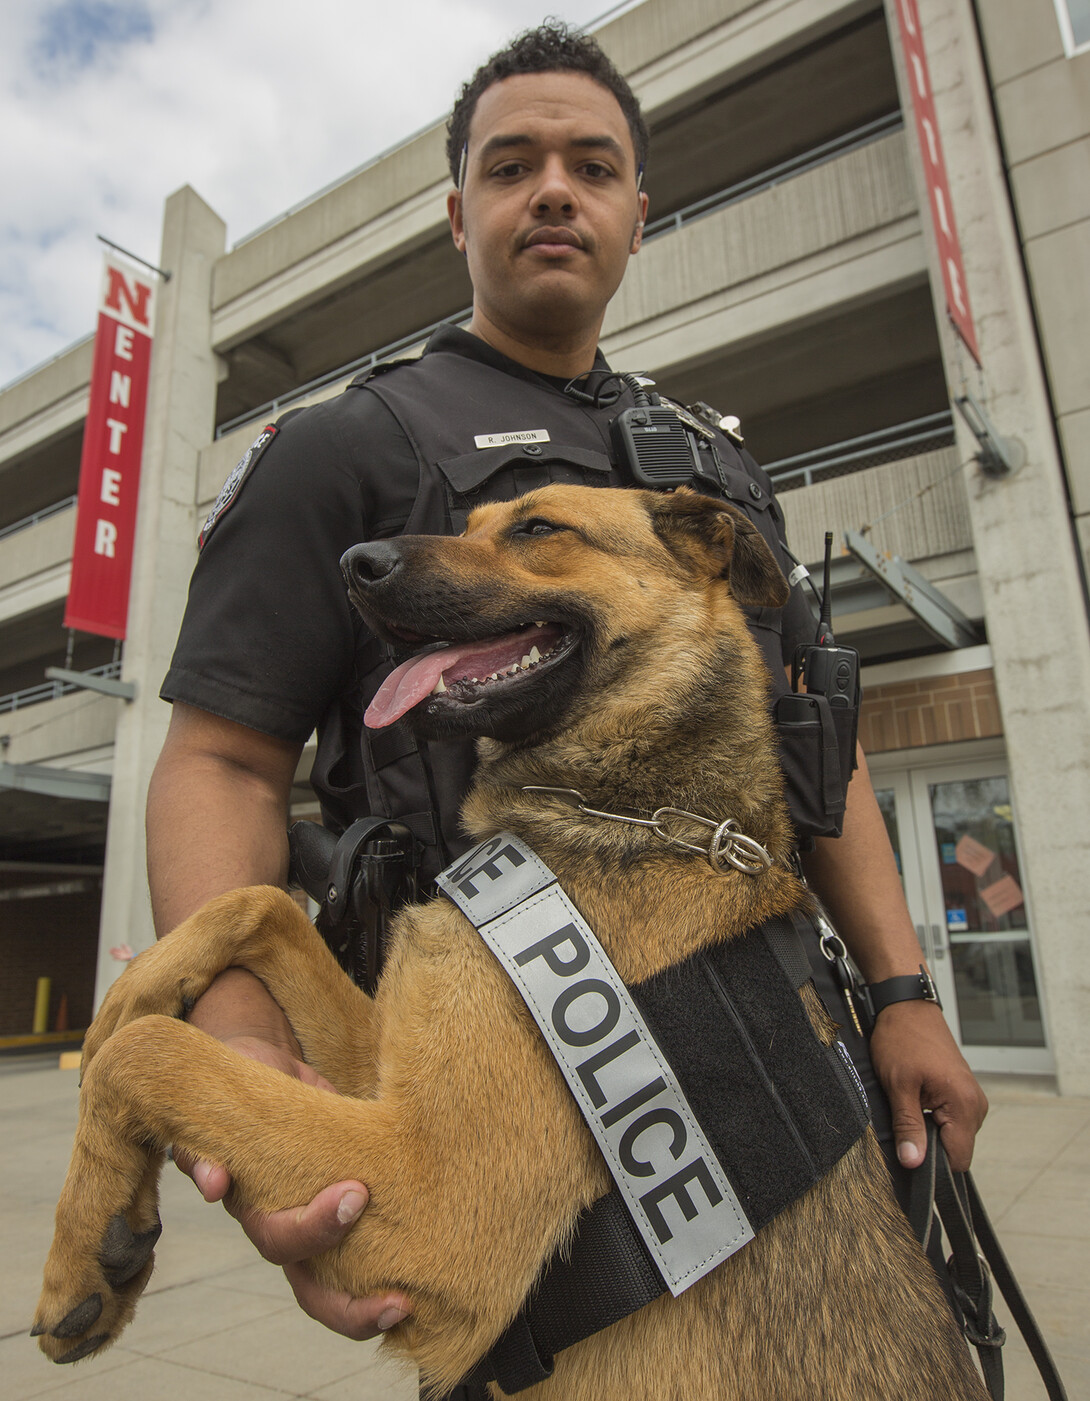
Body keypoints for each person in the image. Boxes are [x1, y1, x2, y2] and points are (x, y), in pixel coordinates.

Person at [148, 19, 987, 1371]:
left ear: (637, 213)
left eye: (590, 165)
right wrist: (244, 1044)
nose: (552, 189)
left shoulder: (715, 467)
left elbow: (807, 754)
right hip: (512, 1093)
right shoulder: (347, 448)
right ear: (455, 210)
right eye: (511, 164)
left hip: (775, 1070)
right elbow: (225, 763)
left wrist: (901, 988)